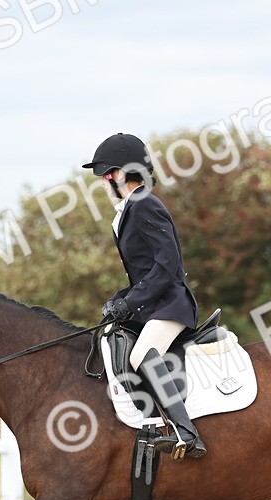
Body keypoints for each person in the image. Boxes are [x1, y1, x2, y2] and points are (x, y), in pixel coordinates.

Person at [84, 132, 207, 459]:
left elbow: (167, 267)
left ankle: (187, 433)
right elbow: (143, 271)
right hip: (152, 304)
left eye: (105, 176)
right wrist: (120, 298)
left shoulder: (145, 205)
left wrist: (131, 301)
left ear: (121, 174)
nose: (102, 184)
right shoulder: (129, 210)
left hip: (170, 304)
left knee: (141, 356)